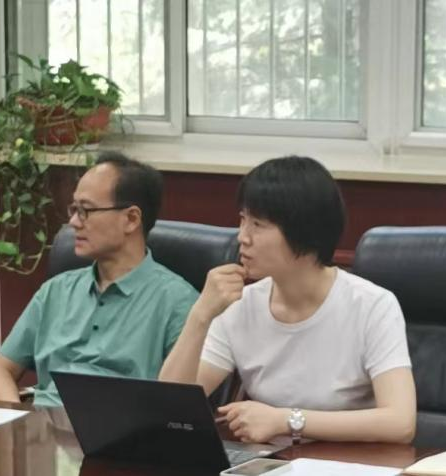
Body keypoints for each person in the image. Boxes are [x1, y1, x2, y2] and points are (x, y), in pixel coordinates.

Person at [159, 156, 416, 444]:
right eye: (243, 219)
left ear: (304, 232)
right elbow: (168, 407)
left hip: (348, 461)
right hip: (268, 460)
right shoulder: (240, 304)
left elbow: (400, 423)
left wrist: (286, 420)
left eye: (258, 224)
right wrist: (200, 316)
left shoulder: (372, 305)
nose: (242, 237)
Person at [0, 152, 198, 407]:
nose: (73, 222)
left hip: (116, 428)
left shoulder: (178, 302)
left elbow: (177, 402)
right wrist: (18, 418)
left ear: (131, 219)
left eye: (86, 210)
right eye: (74, 209)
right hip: (41, 424)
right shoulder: (56, 291)